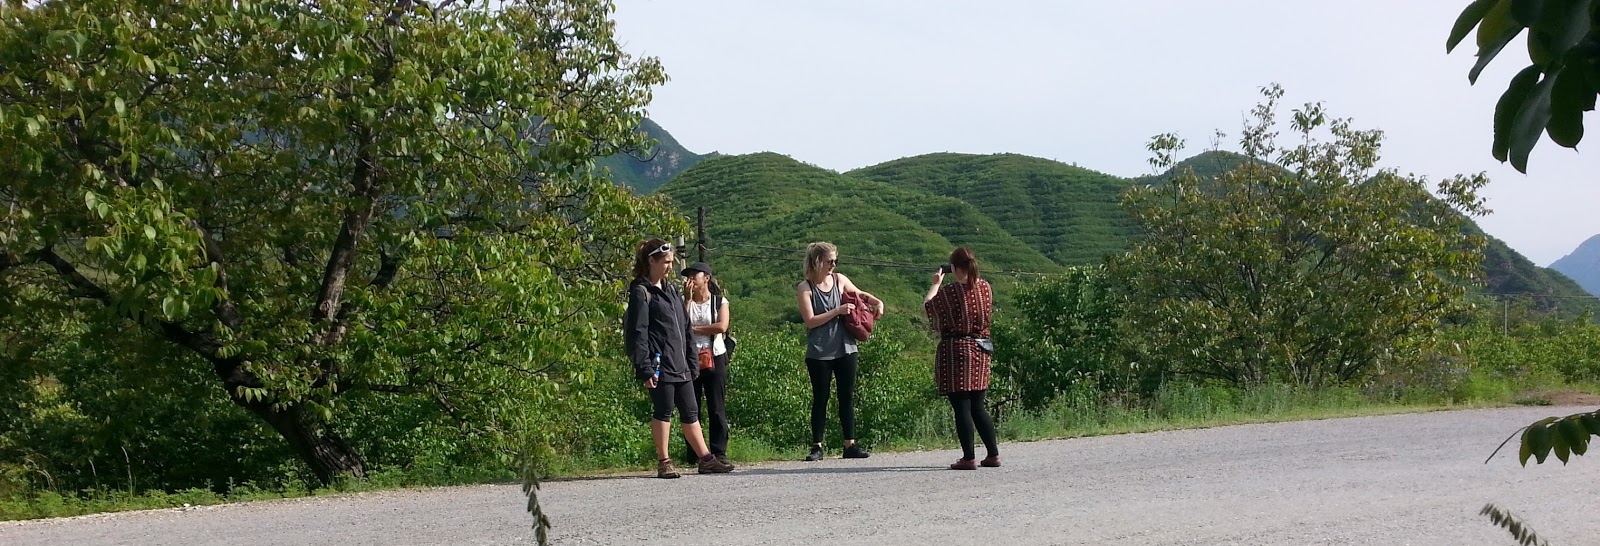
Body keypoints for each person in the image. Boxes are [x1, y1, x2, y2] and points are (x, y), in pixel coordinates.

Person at [623, 239, 735, 478]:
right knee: (663, 410)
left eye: (671, 262)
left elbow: (685, 327)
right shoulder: (641, 292)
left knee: (691, 411)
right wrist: (644, 367)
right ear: (651, 261)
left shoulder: (671, 289)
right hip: (658, 362)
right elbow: (638, 332)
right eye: (666, 262)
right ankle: (664, 461)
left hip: (680, 362)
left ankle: (706, 459)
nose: (670, 267)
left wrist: (692, 361)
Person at [795, 242, 884, 461]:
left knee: (846, 397)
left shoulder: (839, 280)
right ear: (817, 262)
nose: (834, 265)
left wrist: (877, 302)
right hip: (819, 351)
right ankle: (817, 446)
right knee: (820, 398)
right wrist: (837, 310)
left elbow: (859, 294)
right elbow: (810, 320)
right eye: (830, 261)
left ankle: (850, 444)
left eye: (835, 260)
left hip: (846, 348)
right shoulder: (805, 288)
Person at [923, 247, 1000, 470]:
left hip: (957, 351)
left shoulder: (951, 291)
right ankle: (993, 454)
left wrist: (936, 283)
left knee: (962, 406)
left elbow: (929, 307)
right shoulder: (985, 287)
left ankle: (968, 457)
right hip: (981, 349)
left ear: (955, 268)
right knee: (978, 406)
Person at [681, 261, 732, 467]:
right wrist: (687, 300)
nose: (690, 279)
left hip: (715, 356)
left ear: (706, 278)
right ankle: (695, 454)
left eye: (694, 275)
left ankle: (719, 452)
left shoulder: (719, 301)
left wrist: (693, 329)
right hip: (690, 359)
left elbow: (721, 326)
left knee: (716, 407)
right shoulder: (684, 301)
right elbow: (679, 325)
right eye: (689, 276)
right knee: (691, 408)